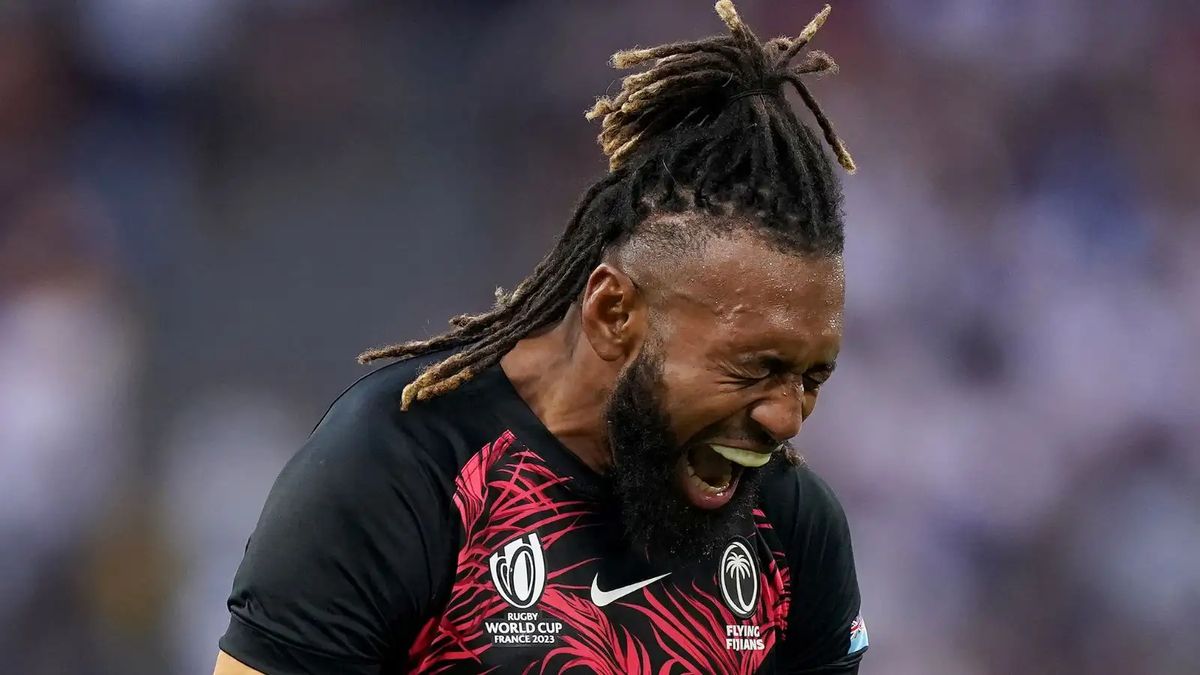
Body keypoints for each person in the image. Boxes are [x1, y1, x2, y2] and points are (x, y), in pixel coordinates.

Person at [214, 2, 869, 673]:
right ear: (614, 313)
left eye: (811, 378)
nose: (786, 418)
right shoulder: (401, 474)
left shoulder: (791, 528)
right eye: (754, 368)